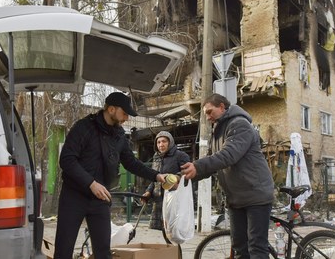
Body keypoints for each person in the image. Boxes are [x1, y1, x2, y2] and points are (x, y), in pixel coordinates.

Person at [54, 92, 166, 259]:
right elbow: (67, 159)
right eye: (125, 113)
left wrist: (157, 176)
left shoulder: (119, 135)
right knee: (64, 250)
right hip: (74, 196)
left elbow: (131, 163)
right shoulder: (84, 127)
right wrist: (91, 183)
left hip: (100, 198)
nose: (127, 118)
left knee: (103, 252)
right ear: (111, 109)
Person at [181, 93, 275, 259]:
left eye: (210, 112)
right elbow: (211, 165)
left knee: (256, 248)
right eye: (205, 114)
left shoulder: (240, 125)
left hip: (255, 194)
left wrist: (197, 166)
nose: (207, 117)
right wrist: (184, 178)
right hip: (236, 198)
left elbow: (228, 156)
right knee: (239, 247)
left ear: (222, 107)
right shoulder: (218, 132)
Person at [141, 131, 190, 236]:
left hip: (174, 198)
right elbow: (155, 177)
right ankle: (169, 251)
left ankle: (176, 251)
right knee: (165, 232)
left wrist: (176, 177)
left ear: (170, 142)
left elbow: (186, 173)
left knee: (174, 231)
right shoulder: (156, 157)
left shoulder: (180, 156)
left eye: (164, 141)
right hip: (159, 199)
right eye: (158, 142)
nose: (161, 145)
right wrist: (148, 192)